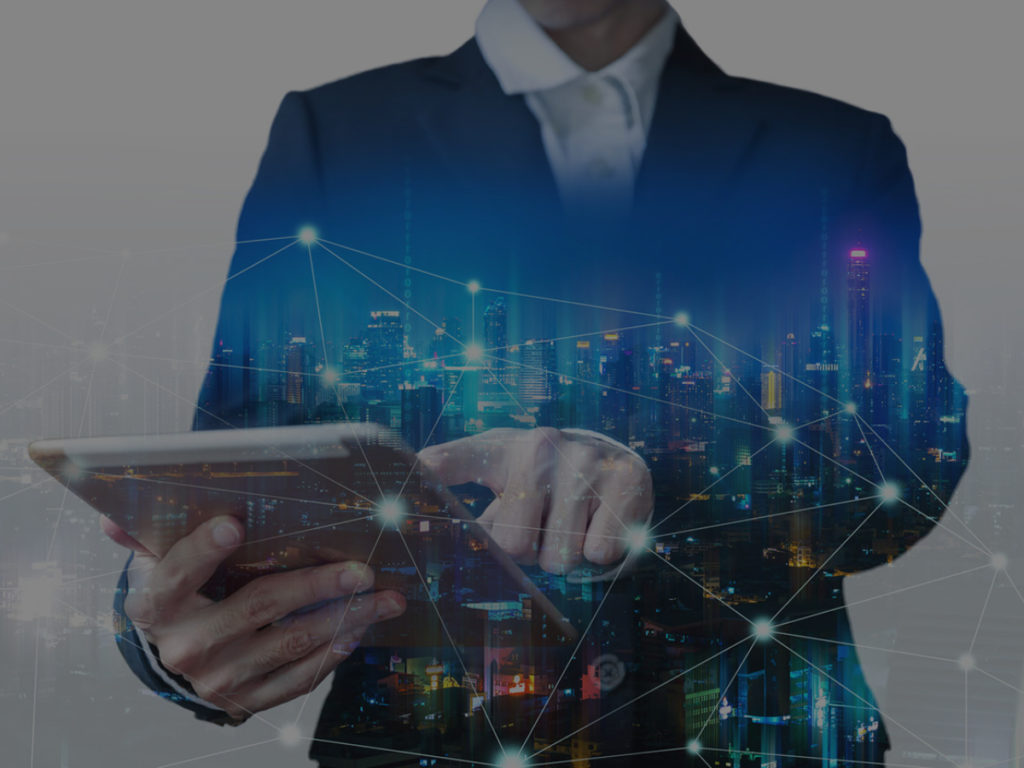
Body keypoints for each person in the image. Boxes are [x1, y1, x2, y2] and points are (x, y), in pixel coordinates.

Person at [103, 0, 970, 765]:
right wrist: (167, 636)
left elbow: (911, 462)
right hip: (432, 743)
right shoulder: (337, 134)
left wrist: (650, 482)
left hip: (759, 736)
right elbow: (239, 463)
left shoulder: (833, 148)